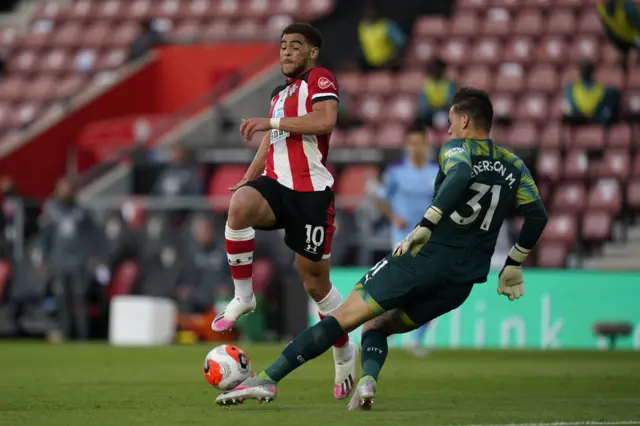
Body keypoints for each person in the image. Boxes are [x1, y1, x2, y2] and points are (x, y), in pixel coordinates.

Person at [214, 88, 549, 409]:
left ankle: (268, 378)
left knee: (344, 318)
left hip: (422, 258)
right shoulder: (513, 165)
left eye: (450, 121)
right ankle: (368, 381)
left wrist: (426, 224)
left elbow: (460, 177)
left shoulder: (457, 150)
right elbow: (537, 214)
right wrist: (513, 264)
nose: (447, 129)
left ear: (463, 120)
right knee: (377, 327)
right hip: (462, 280)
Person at [210, 23, 358, 400]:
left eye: (295, 46)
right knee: (239, 205)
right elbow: (271, 143)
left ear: (312, 53)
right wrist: (246, 179)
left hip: (311, 197)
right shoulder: (279, 95)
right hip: (278, 187)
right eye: (282, 46)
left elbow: (325, 121)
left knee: (314, 284)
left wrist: (270, 122)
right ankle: (244, 296)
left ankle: (343, 350)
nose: (287, 52)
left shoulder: (321, 79)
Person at [374, 125, 439, 357]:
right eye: (411, 143)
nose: (416, 147)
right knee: (402, 290)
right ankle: (381, 327)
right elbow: (380, 199)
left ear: (426, 144)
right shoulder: (396, 173)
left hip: (431, 240)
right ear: (406, 146)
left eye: (419, 142)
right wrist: (394, 217)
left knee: (431, 292)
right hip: (402, 240)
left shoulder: (437, 172)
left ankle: (416, 341)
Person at [39, 177, 105, 341]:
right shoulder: (52, 213)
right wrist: (44, 258)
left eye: (67, 189)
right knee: (61, 299)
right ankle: (65, 334)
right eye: (61, 189)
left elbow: (94, 237)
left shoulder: (83, 213)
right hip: (59, 262)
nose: (64, 192)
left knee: (79, 298)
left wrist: (94, 257)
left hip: (79, 262)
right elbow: (45, 238)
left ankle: (82, 336)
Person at [562, 62, 618, 126]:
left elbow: (568, 109)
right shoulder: (604, 90)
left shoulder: (570, 89)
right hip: (590, 120)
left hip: (590, 121)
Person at [357, 0, 407, 72]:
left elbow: (401, 42)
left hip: (388, 62)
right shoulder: (362, 26)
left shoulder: (386, 25)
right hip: (369, 64)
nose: (370, 13)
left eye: (372, 11)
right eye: (368, 11)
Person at [597, 0, 640, 69]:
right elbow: (609, 30)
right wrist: (617, 50)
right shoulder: (600, 7)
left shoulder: (627, 7)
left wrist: (637, 49)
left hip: (636, 41)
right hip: (623, 42)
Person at [417, 59, 457, 129]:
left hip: (445, 112)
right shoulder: (426, 84)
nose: (436, 71)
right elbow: (423, 106)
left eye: (439, 69)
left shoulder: (449, 84)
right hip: (430, 113)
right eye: (434, 68)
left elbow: (451, 101)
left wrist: (443, 107)